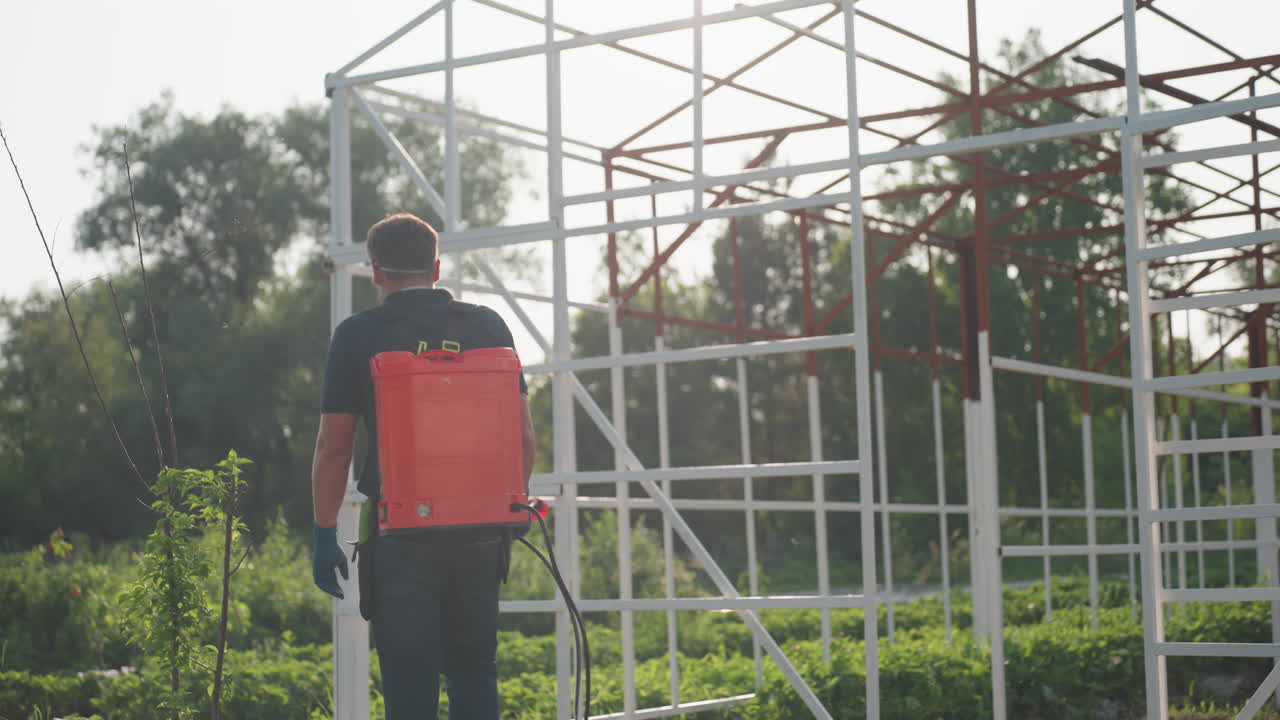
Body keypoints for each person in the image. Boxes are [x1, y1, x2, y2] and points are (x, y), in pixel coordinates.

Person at [310, 212, 535, 720]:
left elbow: (333, 448)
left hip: (401, 538)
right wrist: (512, 509)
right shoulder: (486, 324)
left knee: (410, 683)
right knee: (475, 671)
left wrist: (325, 531)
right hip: (480, 533)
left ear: (376, 273)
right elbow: (522, 435)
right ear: (436, 268)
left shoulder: (357, 334)